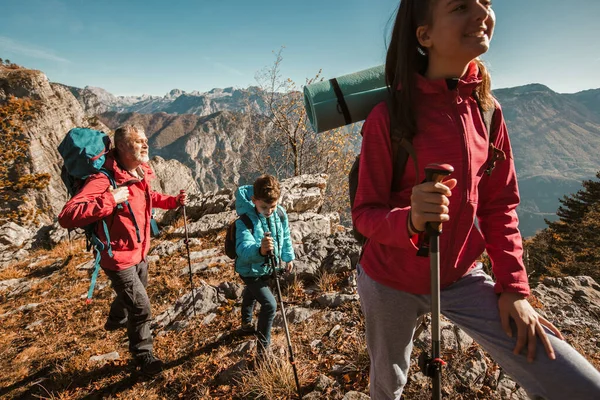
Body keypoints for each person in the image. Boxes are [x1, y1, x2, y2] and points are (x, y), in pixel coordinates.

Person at [351, 1, 600, 399]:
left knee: (575, 383)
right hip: (387, 281)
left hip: (461, 276)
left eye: (486, 1)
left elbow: (499, 204)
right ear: (424, 35)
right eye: (461, 6)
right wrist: (410, 220)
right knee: (388, 385)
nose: (482, 13)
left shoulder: (487, 111)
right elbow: (364, 214)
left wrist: (514, 288)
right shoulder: (388, 116)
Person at [58, 124, 187, 376]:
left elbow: (150, 197)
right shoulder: (102, 180)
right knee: (141, 307)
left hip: (139, 252)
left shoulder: (139, 171)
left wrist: (173, 201)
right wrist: (110, 199)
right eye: (139, 141)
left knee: (134, 294)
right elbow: (67, 215)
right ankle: (143, 357)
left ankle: (115, 319)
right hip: (117, 258)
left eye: (146, 139)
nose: (146, 144)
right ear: (123, 147)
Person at [234, 174, 295, 357]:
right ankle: (263, 350)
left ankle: (246, 324)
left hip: (268, 268)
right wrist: (259, 250)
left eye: (273, 206)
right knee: (270, 305)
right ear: (254, 200)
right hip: (249, 269)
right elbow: (242, 248)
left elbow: (285, 236)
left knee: (252, 293)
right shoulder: (244, 220)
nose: (269, 211)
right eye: (264, 207)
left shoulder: (280, 213)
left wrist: (288, 257)